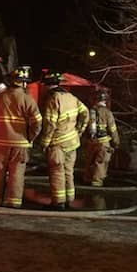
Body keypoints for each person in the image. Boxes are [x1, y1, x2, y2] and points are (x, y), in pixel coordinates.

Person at [0, 66, 42, 208]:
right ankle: (13, 203)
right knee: (16, 174)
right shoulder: (28, 100)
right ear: (24, 83)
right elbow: (37, 123)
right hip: (20, 144)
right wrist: (30, 137)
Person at [38, 70, 89, 210]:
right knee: (68, 172)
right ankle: (69, 200)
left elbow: (50, 123)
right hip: (72, 142)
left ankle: (58, 203)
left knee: (57, 172)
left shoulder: (52, 99)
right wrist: (79, 131)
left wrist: (44, 143)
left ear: (47, 85)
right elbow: (85, 113)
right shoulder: (71, 97)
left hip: (57, 144)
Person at [83, 90, 120, 187]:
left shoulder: (89, 111)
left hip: (91, 142)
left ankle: (87, 180)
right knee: (100, 163)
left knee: (89, 161)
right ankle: (96, 184)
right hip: (103, 143)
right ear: (105, 100)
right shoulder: (107, 113)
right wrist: (116, 142)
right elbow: (112, 129)